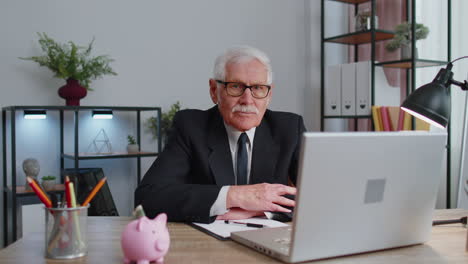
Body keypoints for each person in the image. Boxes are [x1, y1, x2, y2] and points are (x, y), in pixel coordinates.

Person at [135, 46, 306, 223]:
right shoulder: (191, 127)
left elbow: (320, 195)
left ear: (269, 94)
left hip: (269, 239)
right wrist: (234, 196)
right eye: (235, 86)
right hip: (206, 243)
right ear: (213, 90)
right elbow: (148, 198)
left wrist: (257, 211)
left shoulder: (289, 128)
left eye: (258, 88)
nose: (247, 100)